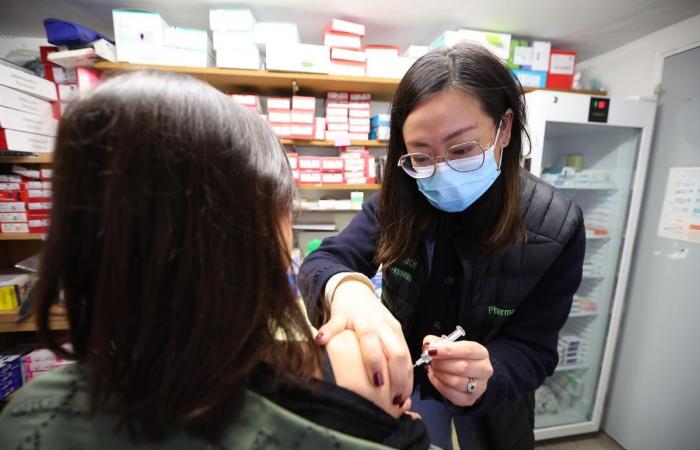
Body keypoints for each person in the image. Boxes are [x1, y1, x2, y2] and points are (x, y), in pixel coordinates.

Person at [0, 71, 434, 450]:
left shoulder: (31, 417)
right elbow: (328, 261)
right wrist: (350, 289)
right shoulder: (346, 373)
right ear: (248, 242)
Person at [299, 43, 586, 450]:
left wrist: (490, 371)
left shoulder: (556, 224)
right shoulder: (400, 199)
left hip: (492, 408)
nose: (442, 171)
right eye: (421, 155)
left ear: (504, 128)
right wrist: (348, 292)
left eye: (463, 149)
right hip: (410, 390)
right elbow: (322, 262)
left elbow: (535, 349)